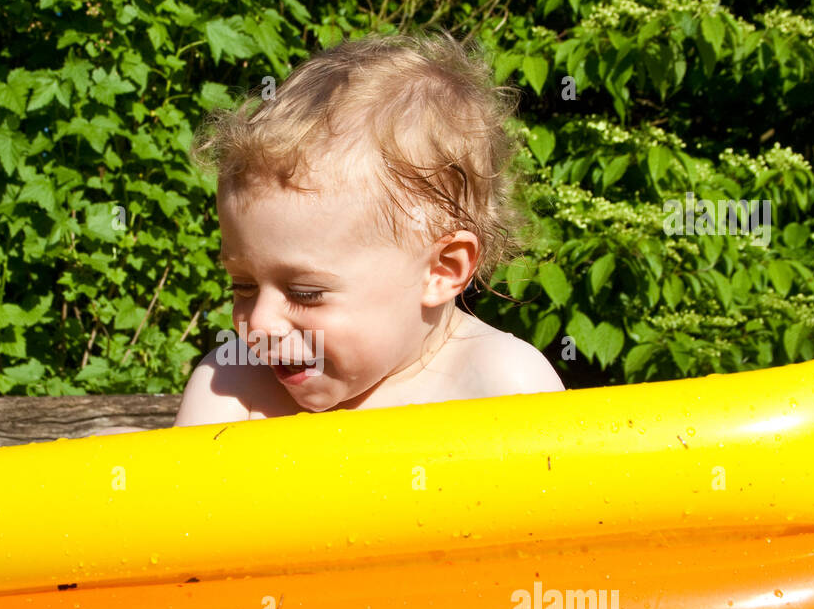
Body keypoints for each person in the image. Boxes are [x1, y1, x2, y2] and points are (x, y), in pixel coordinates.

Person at [173, 29, 563, 427]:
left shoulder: (498, 385)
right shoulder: (234, 387)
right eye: (243, 286)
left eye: (305, 293)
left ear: (441, 270)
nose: (259, 324)